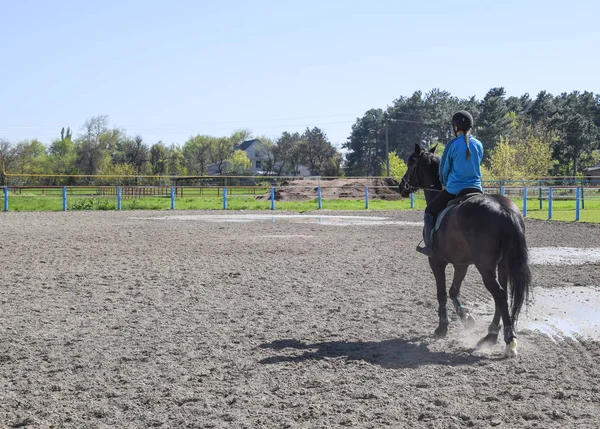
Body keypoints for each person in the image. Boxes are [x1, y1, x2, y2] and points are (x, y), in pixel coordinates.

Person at [417, 110, 484, 256]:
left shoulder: (452, 145)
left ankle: (429, 245)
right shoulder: (478, 144)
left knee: (429, 210)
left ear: (455, 127)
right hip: (476, 188)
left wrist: (444, 183)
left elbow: (444, 168)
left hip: (455, 189)